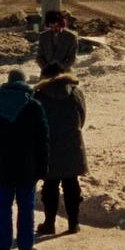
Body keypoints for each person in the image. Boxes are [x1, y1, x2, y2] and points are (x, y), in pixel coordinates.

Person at [0, 69, 48, 250]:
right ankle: (25, 247)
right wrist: (43, 167)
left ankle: (3, 247)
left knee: (2, 207)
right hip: (27, 166)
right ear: (25, 83)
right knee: (26, 207)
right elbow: (43, 139)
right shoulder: (33, 106)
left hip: (2, 165)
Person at [33, 62, 88, 236]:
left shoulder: (39, 96)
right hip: (72, 144)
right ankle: (74, 223)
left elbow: (35, 123)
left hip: (49, 146)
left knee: (50, 186)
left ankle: (49, 223)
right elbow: (82, 117)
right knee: (72, 184)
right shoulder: (75, 93)